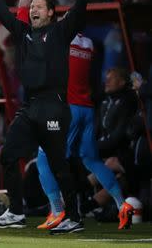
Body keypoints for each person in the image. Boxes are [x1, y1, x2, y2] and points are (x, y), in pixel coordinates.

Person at [0, 0, 93, 234]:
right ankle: (16, 211)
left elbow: (77, 14)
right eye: (32, 6)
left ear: (51, 12)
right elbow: (2, 13)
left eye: (40, 6)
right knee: (8, 155)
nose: (34, 10)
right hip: (30, 106)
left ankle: (73, 216)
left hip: (54, 105)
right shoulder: (23, 33)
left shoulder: (61, 32)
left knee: (58, 165)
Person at [35, 34, 134, 230]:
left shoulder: (58, 38)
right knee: (91, 160)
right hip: (86, 109)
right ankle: (122, 204)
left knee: (44, 158)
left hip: (68, 109)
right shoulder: (88, 43)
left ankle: (59, 212)